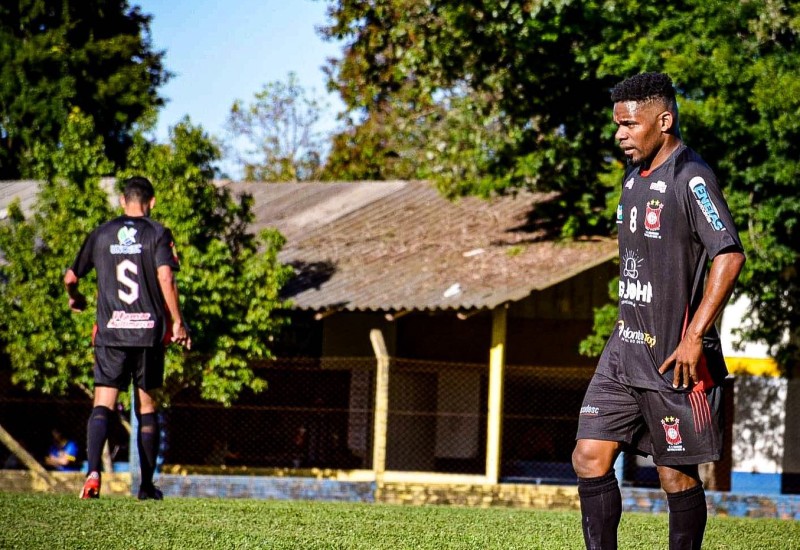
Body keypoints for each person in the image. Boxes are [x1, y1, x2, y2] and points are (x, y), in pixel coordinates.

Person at [572, 72, 745, 549]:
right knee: (589, 456)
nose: (620, 135)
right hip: (624, 349)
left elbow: (729, 255)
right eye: (617, 125)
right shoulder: (632, 178)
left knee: (675, 477)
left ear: (663, 120)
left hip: (676, 357)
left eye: (629, 124)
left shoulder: (692, 178)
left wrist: (694, 338)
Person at [64, 176, 191, 500]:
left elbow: (70, 277)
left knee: (103, 404)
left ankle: (93, 473)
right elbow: (165, 275)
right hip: (148, 333)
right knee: (146, 409)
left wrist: (75, 297)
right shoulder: (158, 233)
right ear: (152, 202)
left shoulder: (102, 233)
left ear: (123, 201)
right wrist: (177, 322)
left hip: (111, 331)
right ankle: (146, 487)